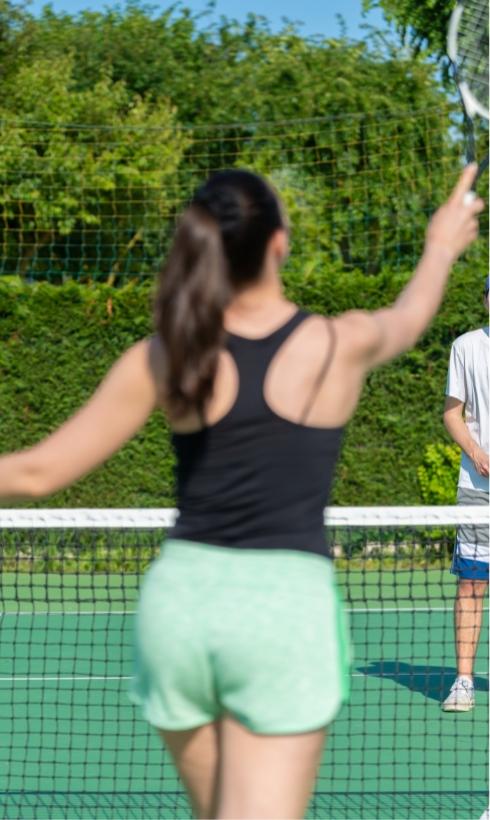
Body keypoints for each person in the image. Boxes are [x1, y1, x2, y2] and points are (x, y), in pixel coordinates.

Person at [0, 165, 483, 819]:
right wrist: (440, 246)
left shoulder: (169, 353)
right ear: (280, 243)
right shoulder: (335, 344)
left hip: (181, 609)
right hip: (284, 613)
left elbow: (33, 473)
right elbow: (409, 315)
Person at [441, 275, 489, 713]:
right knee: (472, 584)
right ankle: (463, 681)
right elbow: (452, 414)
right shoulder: (466, 347)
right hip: (478, 490)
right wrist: (476, 452)